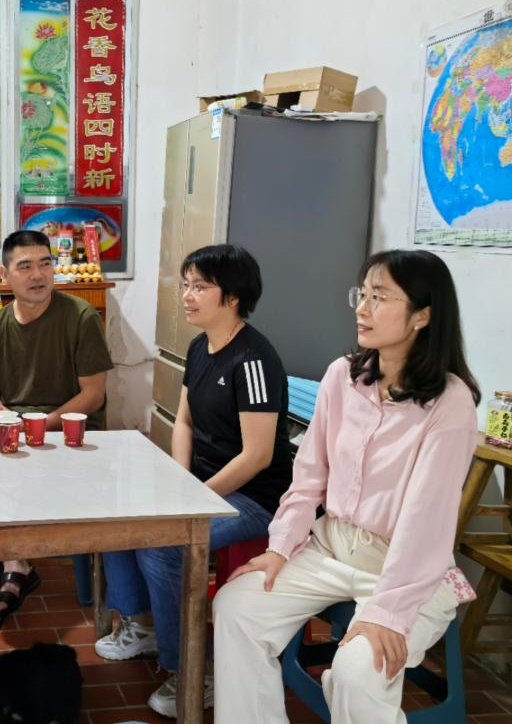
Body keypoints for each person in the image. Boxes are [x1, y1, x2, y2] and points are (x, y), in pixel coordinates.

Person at [212, 249, 480, 724]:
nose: (362, 308)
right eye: (363, 294)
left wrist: (387, 613)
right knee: (236, 607)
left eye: (380, 297)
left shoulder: (450, 402)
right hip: (331, 548)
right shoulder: (343, 375)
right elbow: (308, 476)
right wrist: (280, 547)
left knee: (359, 672)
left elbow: (425, 521)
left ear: (422, 316)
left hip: (405, 570)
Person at [94, 244, 294, 718]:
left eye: (200, 287)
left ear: (233, 297)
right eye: (186, 285)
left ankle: (191, 669)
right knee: (118, 515)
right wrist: (180, 482)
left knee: (164, 546)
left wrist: (195, 498)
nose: (187, 295)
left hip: (254, 497)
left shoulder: (254, 360)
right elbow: (184, 422)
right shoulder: (201, 346)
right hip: (204, 484)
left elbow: (258, 455)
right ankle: (141, 625)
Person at [0, 229, 114, 640]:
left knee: (10, 474)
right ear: (4, 274)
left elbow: (93, 395)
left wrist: (41, 426)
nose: (38, 275)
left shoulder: (80, 317)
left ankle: (3, 579)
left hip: (71, 436)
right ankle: (10, 570)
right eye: (25, 266)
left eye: (45, 264)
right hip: (19, 432)